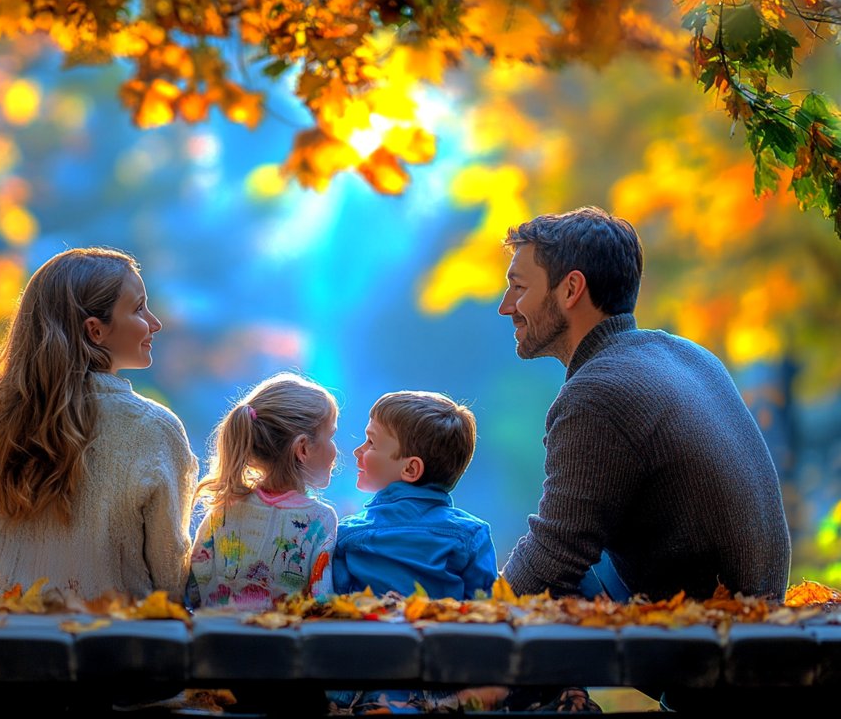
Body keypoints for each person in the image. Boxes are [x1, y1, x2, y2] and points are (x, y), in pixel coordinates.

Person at [497, 205, 791, 603]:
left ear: (570, 289)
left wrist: (475, 611)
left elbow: (551, 559)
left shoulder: (598, 394)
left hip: (708, 636)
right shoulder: (689, 356)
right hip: (756, 614)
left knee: (555, 563)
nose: (506, 306)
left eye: (519, 287)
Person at [0, 247, 198, 601]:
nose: (155, 322)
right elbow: (171, 581)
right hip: (116, 647)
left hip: (9, 645)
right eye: (138, 308)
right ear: (95, 331)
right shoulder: (155, 429)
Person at [331, 390, 504, 714]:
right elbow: (486, 615)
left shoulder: (348, 534)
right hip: (443, 674)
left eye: (371, 443)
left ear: (410, 469)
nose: (357, 451)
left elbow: (334, 608)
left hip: (367, 676)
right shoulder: (472, 533)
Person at [187, 372, 339, 611]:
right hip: (281, 643)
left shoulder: (223, 508)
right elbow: (320, 602)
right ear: (302, 449)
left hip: (215, 640)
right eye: (331, 436)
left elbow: (194, 588)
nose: (335, 450)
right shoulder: (320, 520)